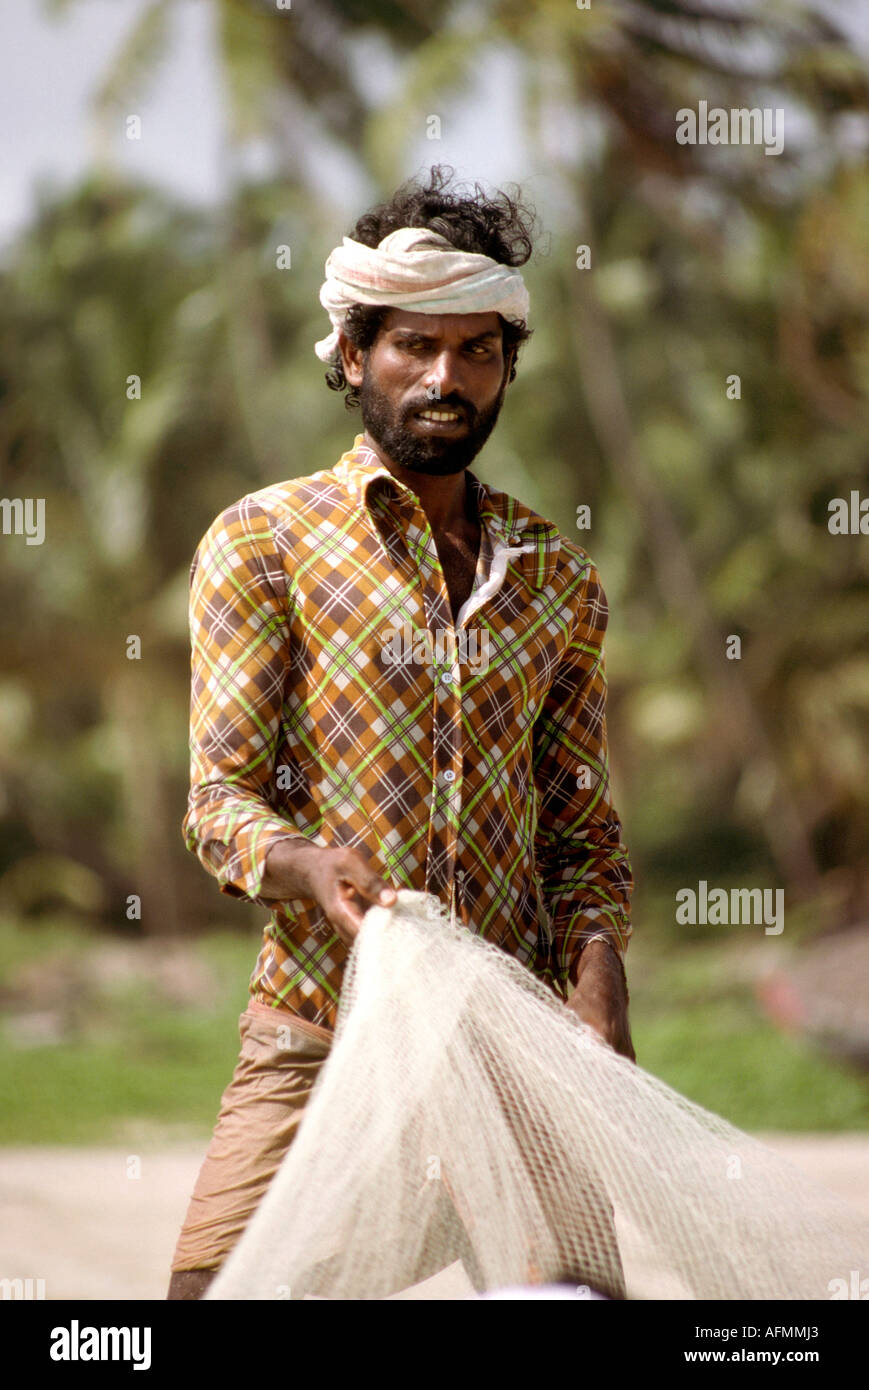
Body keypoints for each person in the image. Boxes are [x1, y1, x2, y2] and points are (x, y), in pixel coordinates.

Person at [167, 166, 634, 1300]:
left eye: (478, 350)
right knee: (207, 1294)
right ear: (351, 354)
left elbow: (577, 824)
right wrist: (306, 863)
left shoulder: (555, 579)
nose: (445, 378)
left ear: (508, 365)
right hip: (321, 1021)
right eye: (413, 347)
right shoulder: (265, 543)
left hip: (512, 1040)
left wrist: (598, 979)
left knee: (570, 1296)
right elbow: (217, 799)